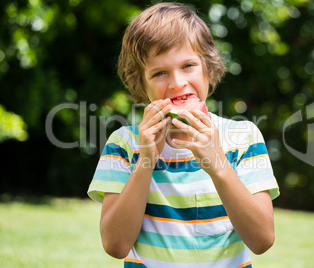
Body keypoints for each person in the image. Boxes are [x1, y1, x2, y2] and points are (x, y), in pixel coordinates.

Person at [87, 2, 279, 267]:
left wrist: (218, 164)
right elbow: (115, 245)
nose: (177, 83)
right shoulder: (124, 144)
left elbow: (262, 240)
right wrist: (145, 161)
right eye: (160, 73)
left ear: (208, 68)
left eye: (188, 65)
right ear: (141, 84)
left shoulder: (243, 138)